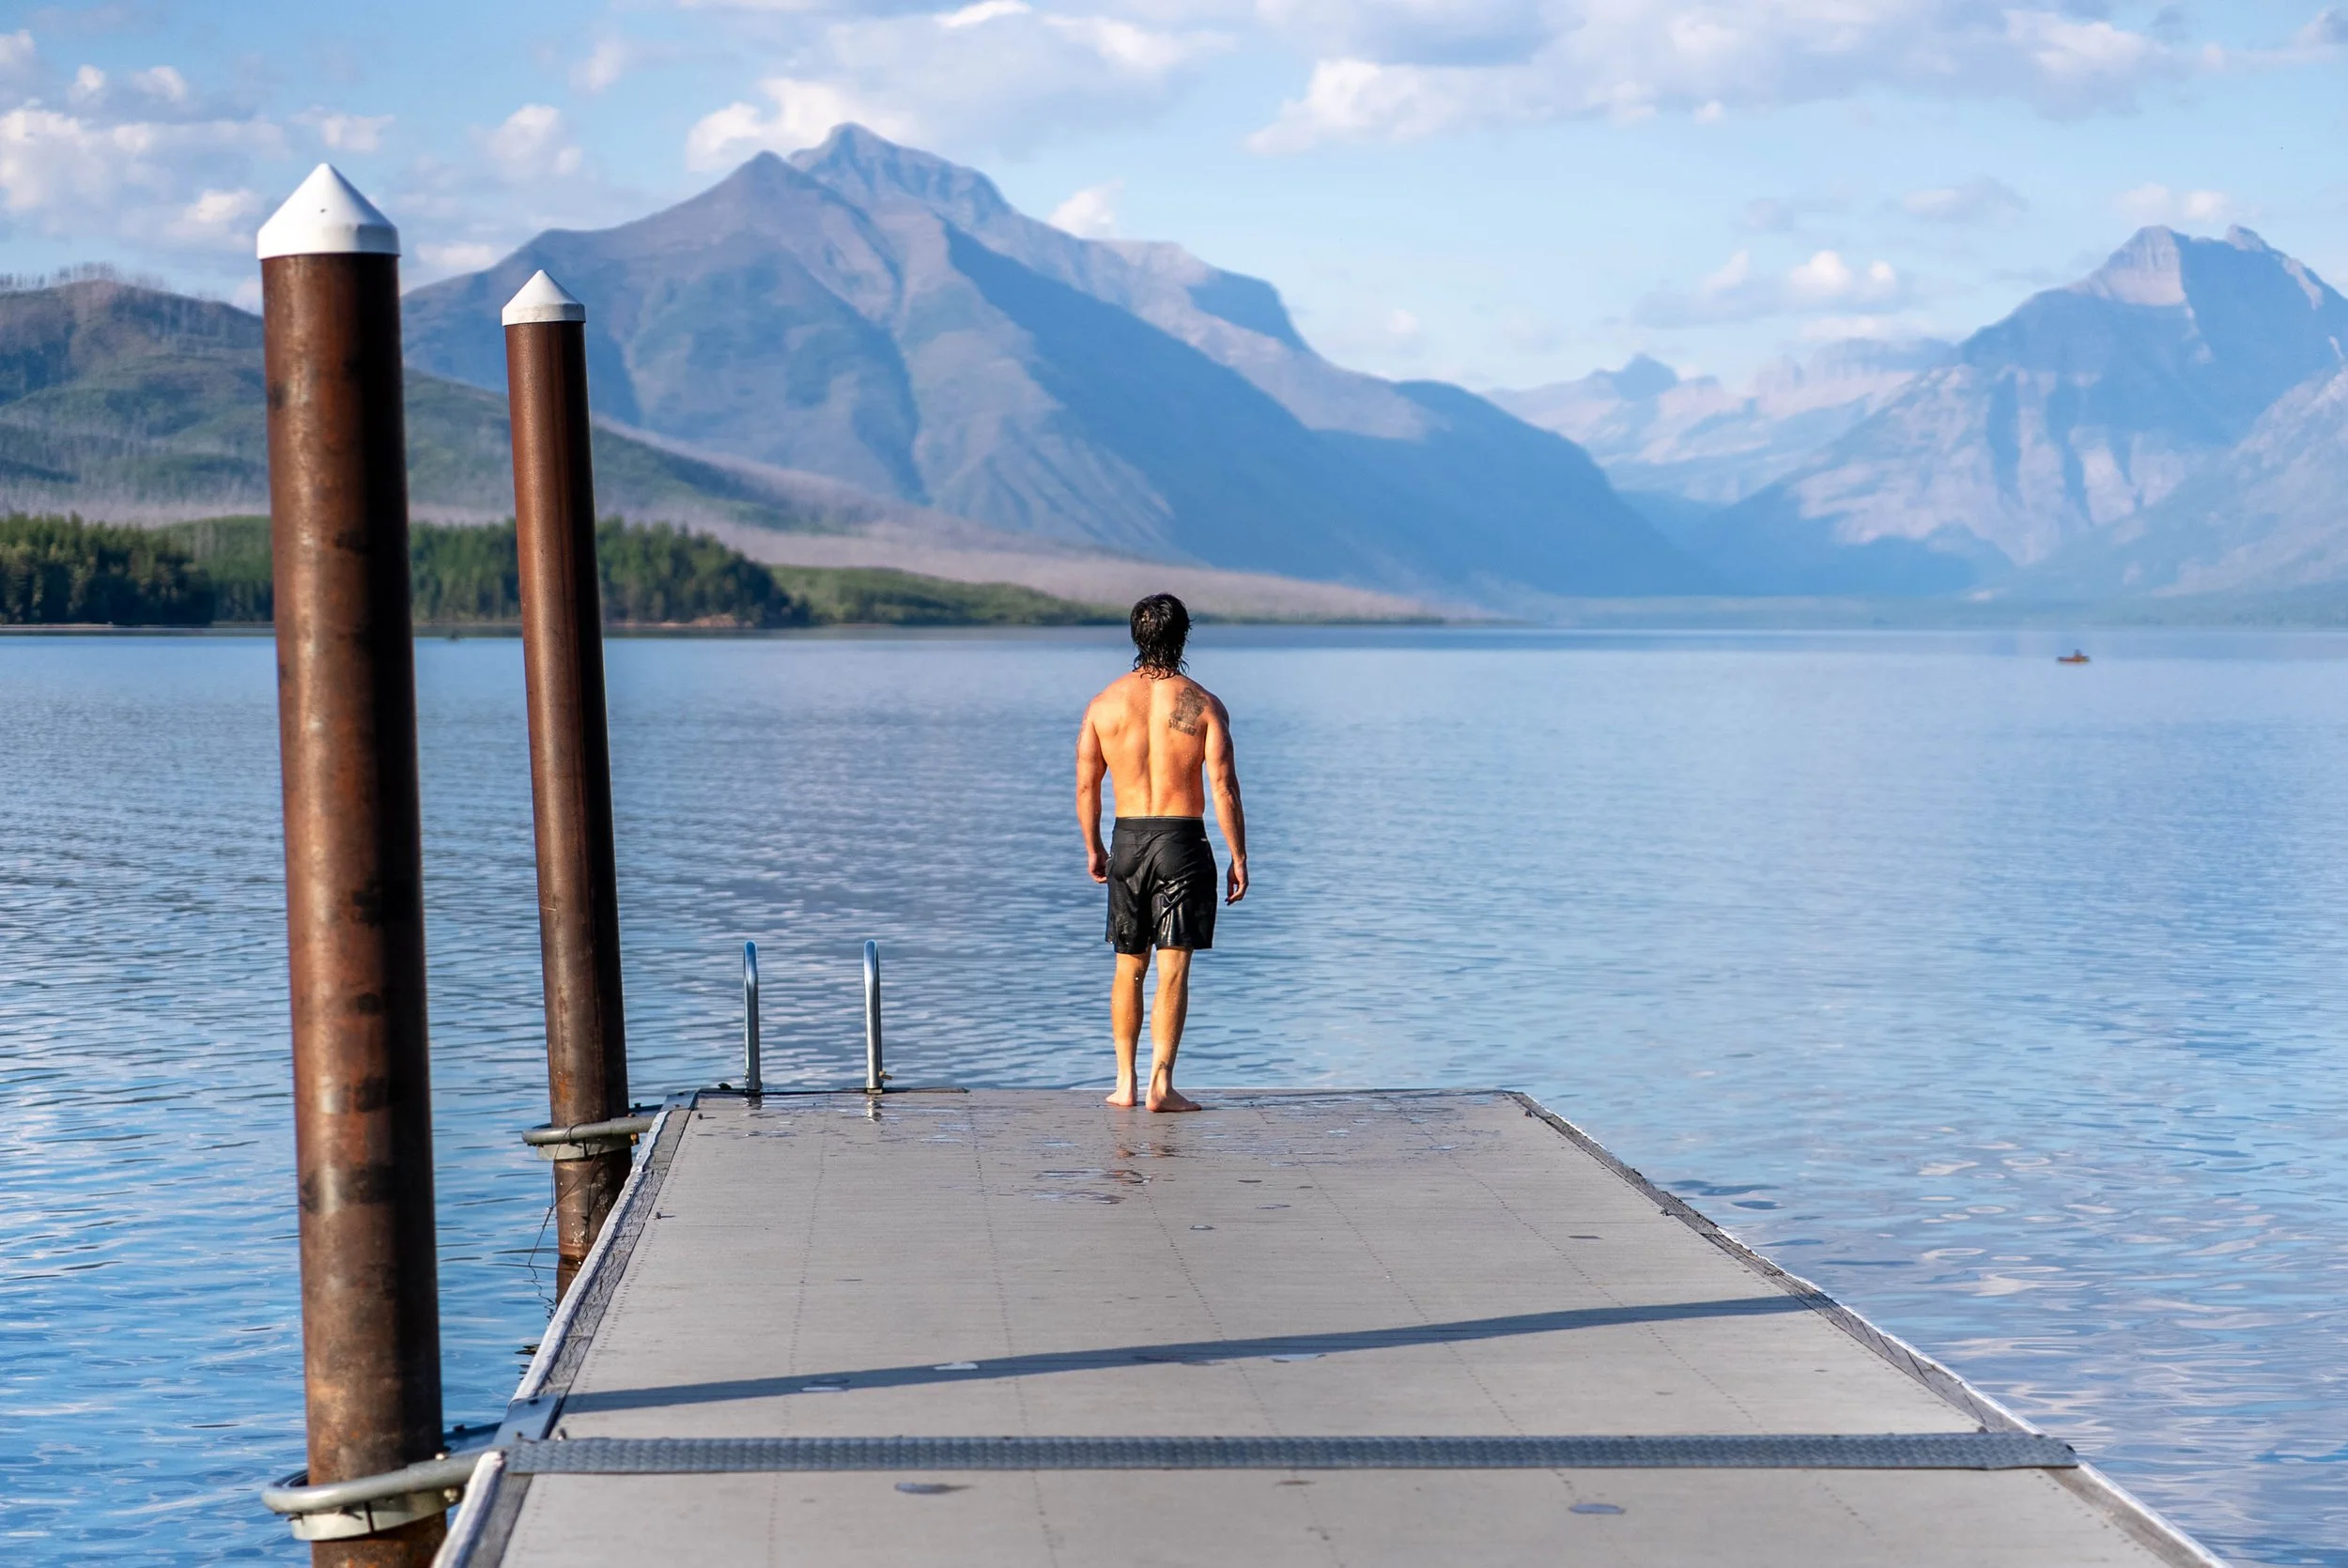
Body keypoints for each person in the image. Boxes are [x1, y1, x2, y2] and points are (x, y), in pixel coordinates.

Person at [1075, 593, 1247, 1112]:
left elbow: (1087, 787)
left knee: (1129, 963)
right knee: (1173, 967)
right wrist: (1239, 855)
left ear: (1135, 636)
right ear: (1183, 636)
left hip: (1128, 840)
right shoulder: (1201, 704)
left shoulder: (1104, 704)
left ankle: (1124, 1083)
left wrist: (1095, 846)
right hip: (1182, 841)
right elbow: (1224, 787)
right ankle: (1161, 1086)